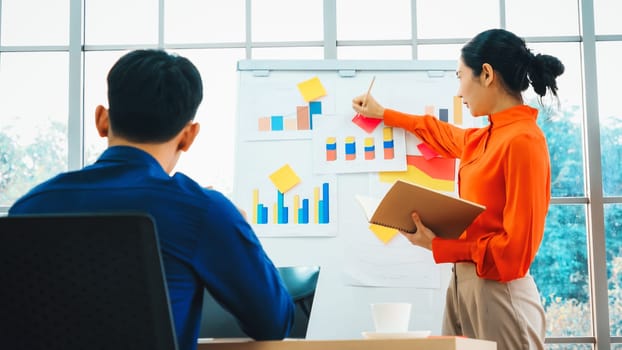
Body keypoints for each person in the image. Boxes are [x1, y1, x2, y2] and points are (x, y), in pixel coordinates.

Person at [9, 49, 295, 350]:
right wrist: (240, 226)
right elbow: (273, 323)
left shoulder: (30, 207)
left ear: (102, 120)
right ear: (188, 136)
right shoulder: (202, 211)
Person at [352, 29, 564, 350]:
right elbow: (439, 132)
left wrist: (440, 246)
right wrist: (383, 114)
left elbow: (515, 253)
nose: (459, 89)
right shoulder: (485, 139)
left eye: (460, 76)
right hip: (465, 286)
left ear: (487, 74)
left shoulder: (523, 141)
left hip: (499, 292)